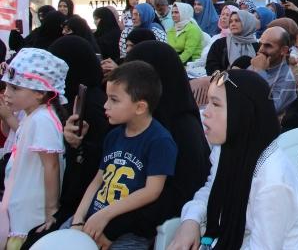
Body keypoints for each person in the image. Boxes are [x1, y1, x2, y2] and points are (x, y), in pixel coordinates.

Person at [168, 69, 298, 249]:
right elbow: (212, 189)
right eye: (207, 103)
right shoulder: (228, 149)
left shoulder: (273, 181)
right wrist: (191, 220)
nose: (206, 112)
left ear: (242, 113)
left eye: (215, 104)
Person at [104, 43, 210, 245]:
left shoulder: (182, 128)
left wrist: (114, 226)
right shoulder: (131, 118)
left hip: (143, 230)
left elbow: (180, 194)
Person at [71, 61, 177, 248]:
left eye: (114, 99)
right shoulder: (113, 136)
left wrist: (105, 215)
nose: (105, 105)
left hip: (127, 231)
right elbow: (98, 180)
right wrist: (78, 219)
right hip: (93, 218)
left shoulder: (160, 141)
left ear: (140, 107)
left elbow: (152, 191)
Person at [20, 37, 109, 249]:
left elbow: (94, 164)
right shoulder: (81, 98)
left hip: (81, 206)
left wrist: (74, 145)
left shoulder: (94, 107)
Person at [0, 49, 68, 250]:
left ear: (40, 92)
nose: (6, 93)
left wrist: (51, 210)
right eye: (6, 86)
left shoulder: (43, 120)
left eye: (15, 88)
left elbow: (51, 166)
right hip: (20, 207)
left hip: (32, 214)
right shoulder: (34, 115)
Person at [246, 27, 298, 113]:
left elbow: (270, 109)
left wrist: (259, 72)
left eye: (268, 46)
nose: (260, 50)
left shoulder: (287, 78)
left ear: (283, 50)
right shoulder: (256, 65)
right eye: (260, 44)